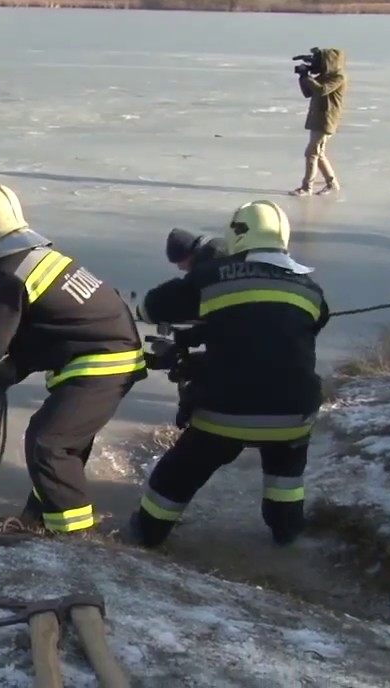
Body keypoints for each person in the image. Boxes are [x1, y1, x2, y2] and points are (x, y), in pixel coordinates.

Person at [0, 180, 148, 536]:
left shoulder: (6, 275)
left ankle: (73, 540)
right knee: (62, 444)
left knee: (49, 444)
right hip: (114, 355)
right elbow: (51, 328)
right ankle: (39, 519)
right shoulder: (43, 258)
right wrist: (13, 369)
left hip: (102, 362)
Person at [130, 200, 329, 549]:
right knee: (286, 477)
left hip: (226, 412)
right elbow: (297, 327)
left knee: (177, 474)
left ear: (236, 234)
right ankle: (286, 535)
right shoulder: (310, 288)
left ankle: (146, 534)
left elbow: (150, 308)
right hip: (294, 415)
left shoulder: (213, 276)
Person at [291, 48, 347, 197]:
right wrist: (303, 77)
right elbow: (308, 93)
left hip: (326, 121)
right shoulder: (324, 76)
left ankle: (307, 187)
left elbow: (322, 90)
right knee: (318, 153)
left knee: (311, 153)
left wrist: (307, 76)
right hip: (318, 119)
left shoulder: (338, 77)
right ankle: (332, 183)